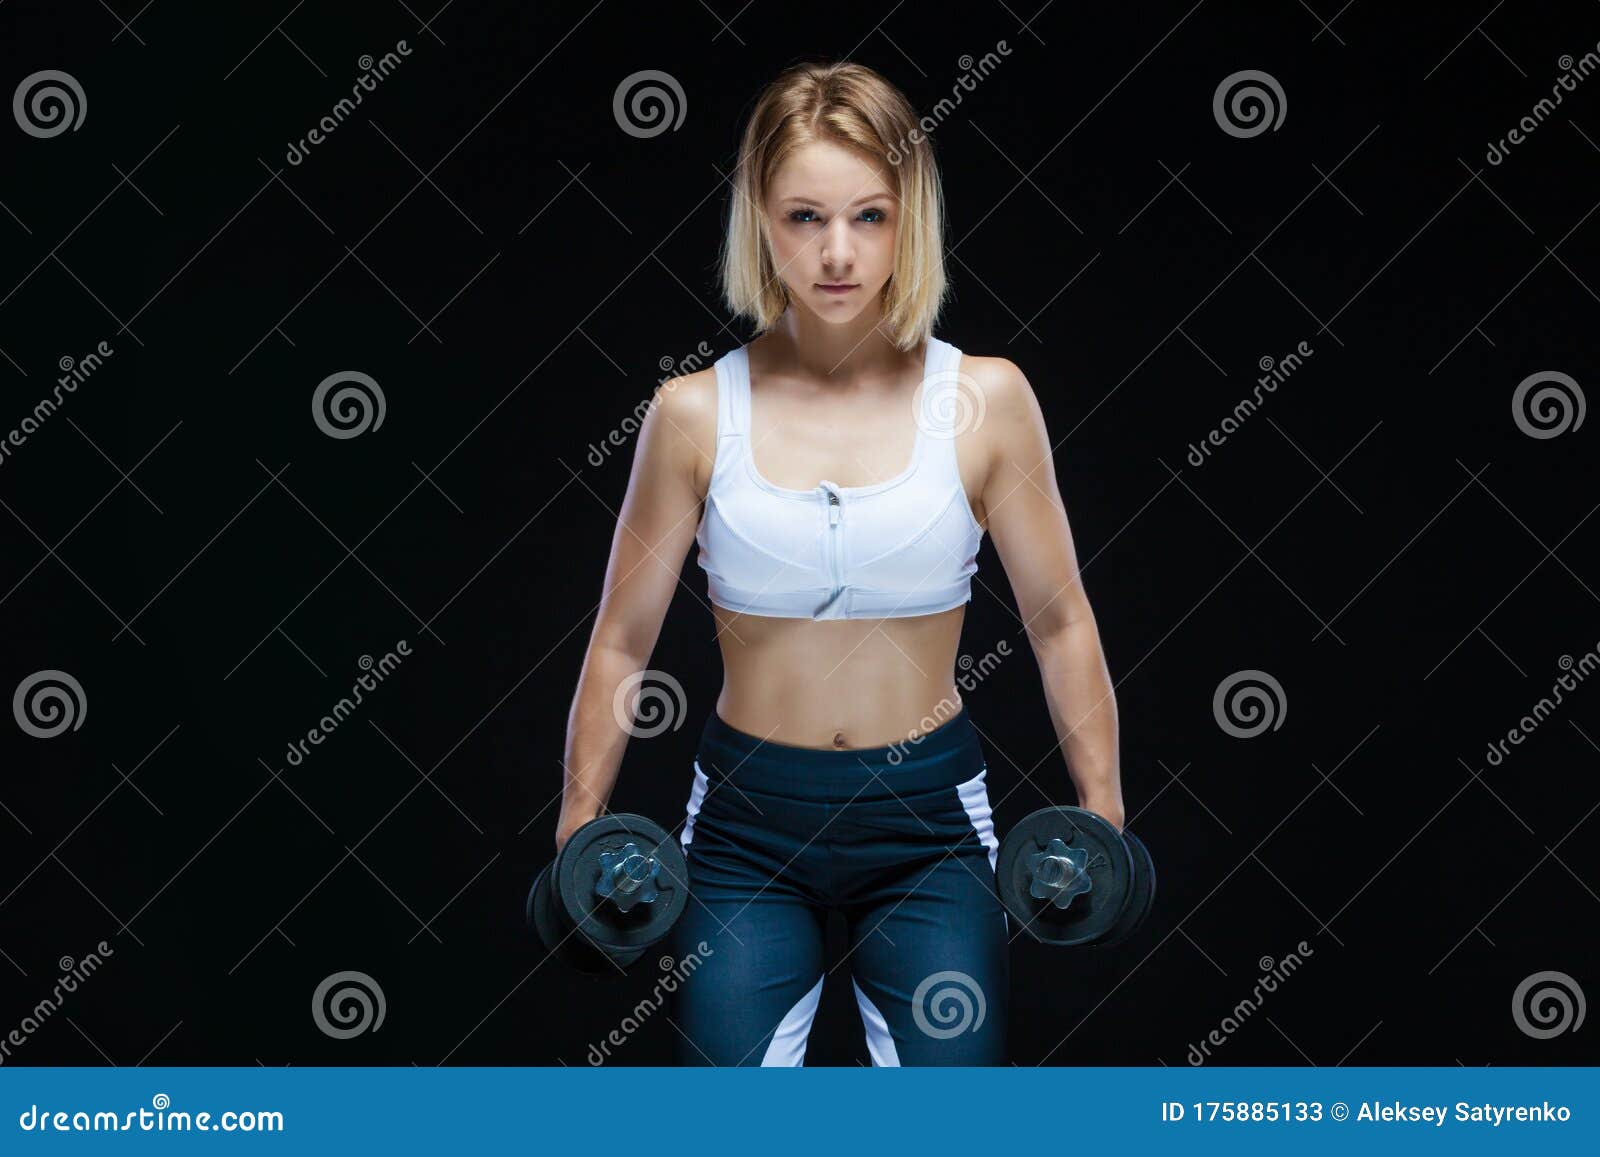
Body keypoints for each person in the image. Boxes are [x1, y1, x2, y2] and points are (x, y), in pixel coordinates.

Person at [556, 60, 1121, 1065]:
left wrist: (1103, 814)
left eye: (868, 216)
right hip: (743, 829)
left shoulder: (985, 400)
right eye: (803, 216)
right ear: (759, 223)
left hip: (928, 826)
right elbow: (620, 637)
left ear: (911, 220)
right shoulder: (693, 413)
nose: (835, 252)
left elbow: (1061, 621)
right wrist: (577, 824)